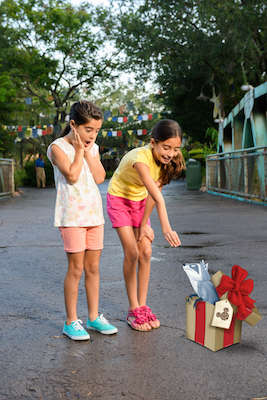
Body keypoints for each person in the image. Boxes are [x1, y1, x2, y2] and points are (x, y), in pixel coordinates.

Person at [47, 100, 118, 341]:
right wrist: (79, 151)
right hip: (72, 217)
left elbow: (99, 177)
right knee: (76, 269)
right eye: (89, 130)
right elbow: (73, 176)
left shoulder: (93, 148)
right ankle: (70, 322)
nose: (93, 135)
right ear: (73, 125)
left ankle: (94, 317)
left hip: (94, 216)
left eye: (97, 131)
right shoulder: (57, 148)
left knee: (93, 268)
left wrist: (88, 150)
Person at [107, 119, 185, 332]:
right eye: (166, 147)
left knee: (146, 251)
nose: (170, 153)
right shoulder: (140, 159)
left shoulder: (165, 163)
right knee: (132, 252)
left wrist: (143, 225)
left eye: (176, 149)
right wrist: (166, 228)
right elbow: (159, 199)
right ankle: (133, 309)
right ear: (153, 143)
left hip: (141, 202)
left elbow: (153, 195)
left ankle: (142, 305)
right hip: (120, 199)